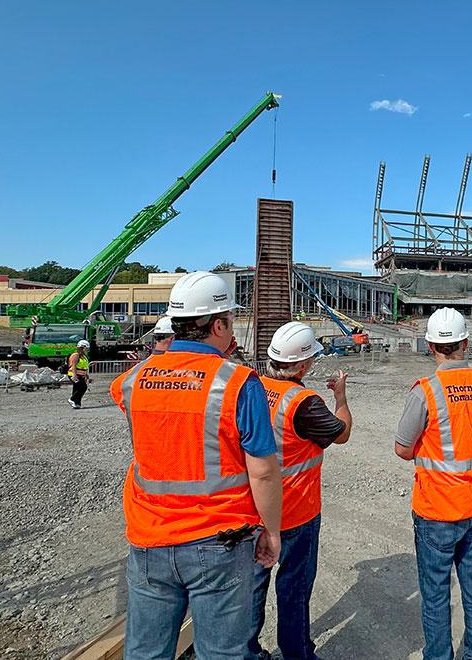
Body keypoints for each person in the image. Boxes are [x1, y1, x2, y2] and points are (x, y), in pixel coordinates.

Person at [109, 271, 282, 659]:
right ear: (219, 324)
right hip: (218, 541)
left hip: (149, 538)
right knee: (221, 652)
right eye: (231, 321)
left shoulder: (133, 380)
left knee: (146, 651)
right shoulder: (238, 382)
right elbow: (264, 470)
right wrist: (272, 531)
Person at [395, 307, 472, 660]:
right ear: (466, 343)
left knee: (435, 595)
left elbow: (403, 448)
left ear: (431, 346)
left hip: (436, 510)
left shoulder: (425, 392)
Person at [248, 321, 353, 660]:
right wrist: (340, 396)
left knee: (252, 586)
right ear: (305, 364)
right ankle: (297, 653)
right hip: (296, 510)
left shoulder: (252, 388)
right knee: (294, 587)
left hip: (253, 509)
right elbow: (342, 433)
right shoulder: (304, 402)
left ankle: (245, 651)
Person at [67, 339, 90, 409]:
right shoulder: (76, 355)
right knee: (83, 387)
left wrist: (86, 375)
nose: (87, 350)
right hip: (74, 374)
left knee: (76, 388)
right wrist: (74, 375)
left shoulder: (84, 357)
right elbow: (73, 365)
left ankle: (77, 403)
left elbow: (84, 367)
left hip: (81, 374)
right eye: (86, 348)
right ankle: (72, 399)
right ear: (81, 348)